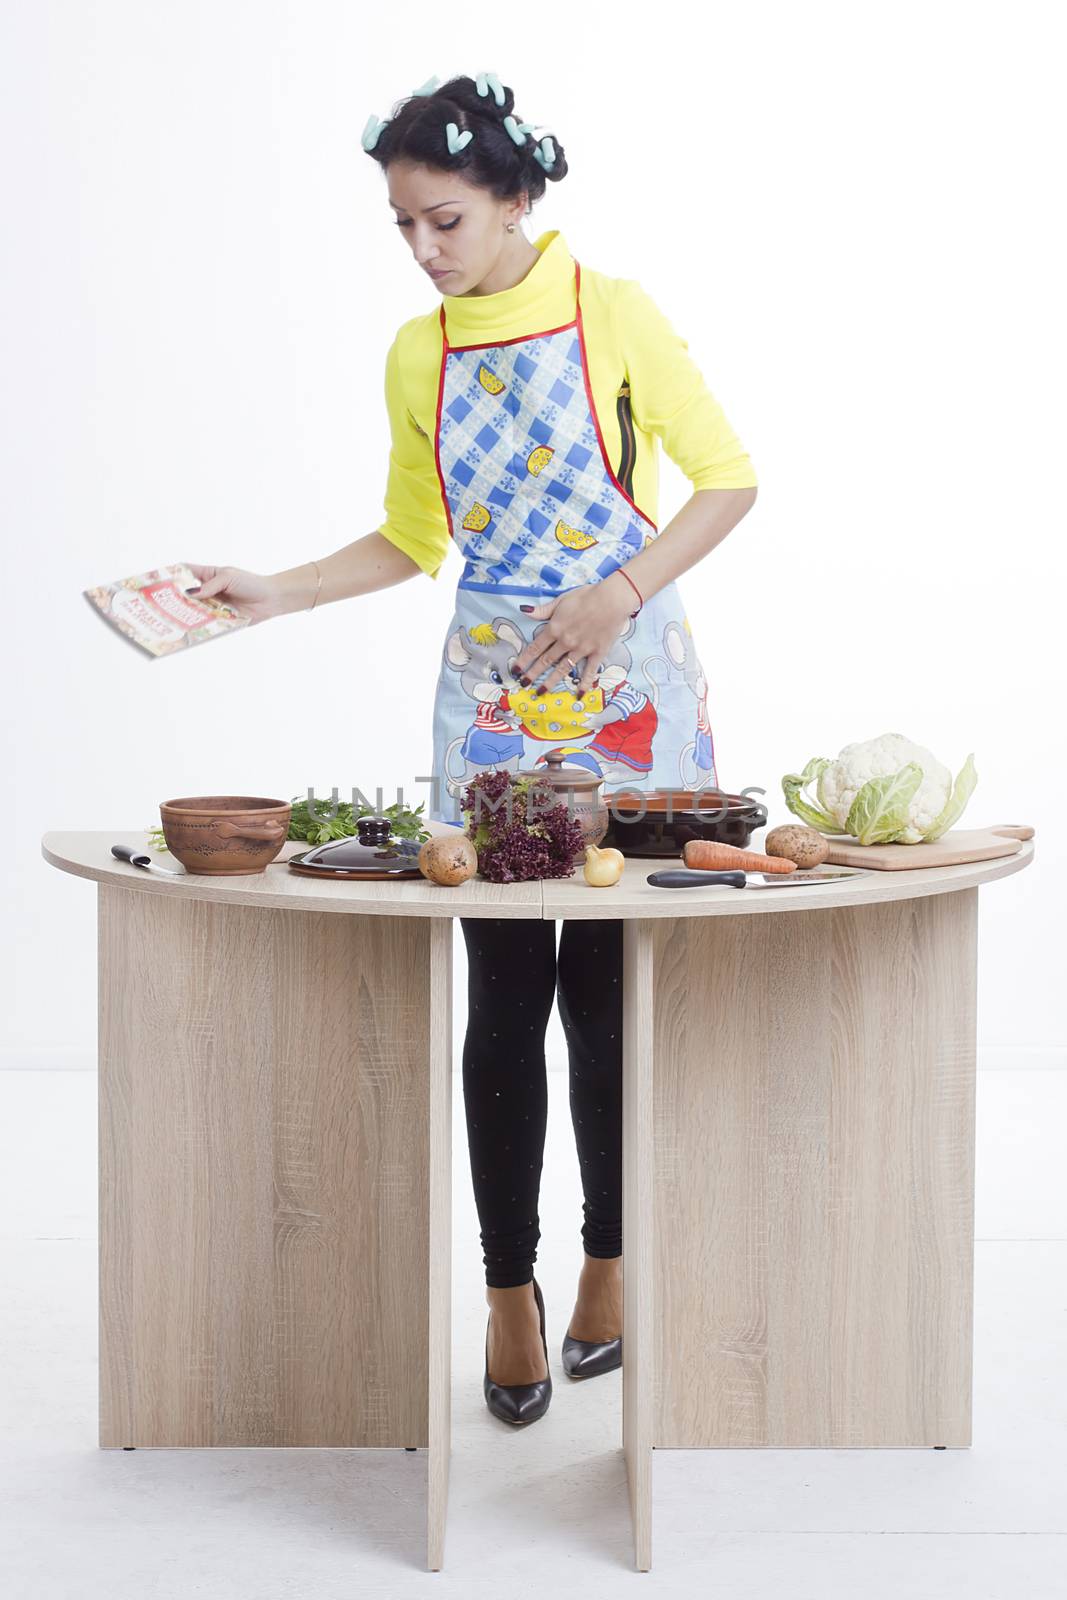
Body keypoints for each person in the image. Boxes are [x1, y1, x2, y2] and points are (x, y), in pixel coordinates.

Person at [187, 70, 758, 1428]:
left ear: (516, 197)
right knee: (503, 994)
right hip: (492, 706)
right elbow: (412, 538)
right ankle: (511, 1292)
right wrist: (274, 588)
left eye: (444, 218)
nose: (425, 249)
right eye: (402, 226)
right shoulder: (416, 352)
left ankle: (608, 1262)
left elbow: (728, 477)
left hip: (626, 691)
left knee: (609, 990)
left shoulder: (612, 313)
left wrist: (617, 590)